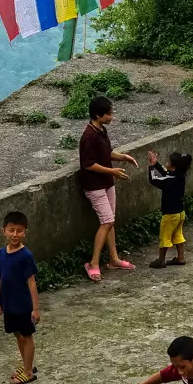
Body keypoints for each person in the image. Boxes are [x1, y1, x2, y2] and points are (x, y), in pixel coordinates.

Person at [78, 94, 137, 281]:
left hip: (106, 183)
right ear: (97, 115)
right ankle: (93, 263)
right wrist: (112, 171)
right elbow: (88, 164)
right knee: (107, 221)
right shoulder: (88, 137)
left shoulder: (101, 131)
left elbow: (105, 153)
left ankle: (114, 259)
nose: (111, 117)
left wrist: (122, 157)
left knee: (110, 220)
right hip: (94, 185)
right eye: (108, 114)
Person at [0, 210, 40, 384]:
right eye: (11, 230)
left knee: (27, 336)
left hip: (23, 305)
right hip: (9, 305)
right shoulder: (1, 253)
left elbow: (32, 283)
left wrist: (35, 309)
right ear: (3, 230)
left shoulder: (26, 256)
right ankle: (27, 364)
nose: (15, 234)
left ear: (25, 232)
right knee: (18, 335)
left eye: (19, 231)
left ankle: (28, 372)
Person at [147, 150, 193, 269]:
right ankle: (181, 257)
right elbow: (166, 172)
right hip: (180, 213)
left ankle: (161, 260)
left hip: (170, 215)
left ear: (173, 167)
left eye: (168, 162)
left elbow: (154, 180)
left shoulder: (169, 180)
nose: (166, 164)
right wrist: (156, 164)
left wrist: (151, 167)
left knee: (165, 237)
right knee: (178, 234)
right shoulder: (180, 176)